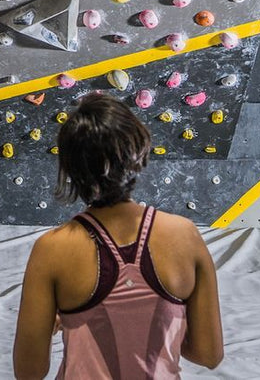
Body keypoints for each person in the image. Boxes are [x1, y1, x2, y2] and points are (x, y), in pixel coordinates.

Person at [13, 93, 223, 379]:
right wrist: (159, 321)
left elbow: (29, 371)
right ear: (138, 150)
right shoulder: (184, 235)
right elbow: (209, 354)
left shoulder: (52, 249)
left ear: (71, 166)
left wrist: (55, 322)